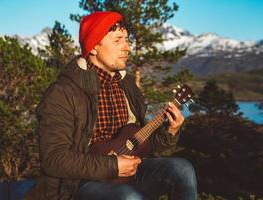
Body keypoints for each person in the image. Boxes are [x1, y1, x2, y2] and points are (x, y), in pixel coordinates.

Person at [25, 11, 197, 200]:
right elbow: (54, 159)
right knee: (128, 197)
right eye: (117, 41)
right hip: (77, 184)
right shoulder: (63, 92)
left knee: (182, 169)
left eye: (127, 40)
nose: (127, 47)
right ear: (93, 48)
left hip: (128, 174)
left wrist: (170, 132)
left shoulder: (127, 85)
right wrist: (113, 165)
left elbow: (139, 143)